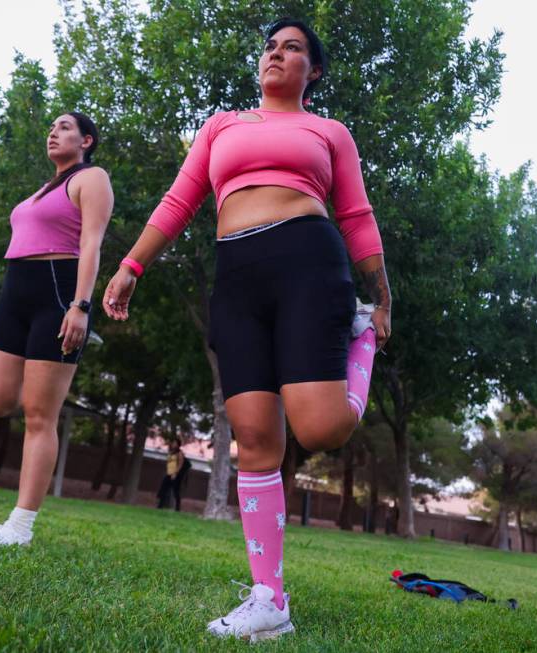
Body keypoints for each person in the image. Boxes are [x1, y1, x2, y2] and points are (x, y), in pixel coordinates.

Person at [102, 18, 391, 641]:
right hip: (237, 274)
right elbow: (180, 199)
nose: (277, 55)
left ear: (313, 71)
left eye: (293, 49)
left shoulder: (327, 131)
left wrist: (381, 300)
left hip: (308, 262)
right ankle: (269, 598)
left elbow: (357, 215)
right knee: (254, 438)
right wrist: (131, 265)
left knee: (320, 427)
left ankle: (359, 341)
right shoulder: (223, 125)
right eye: (270, 46)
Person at [0, 112, 114, 546]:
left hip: (57, 296)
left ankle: (20, 525)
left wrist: (80, 305)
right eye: (52, 128)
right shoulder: (42, 190)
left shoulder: (91, 178)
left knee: (40, 416)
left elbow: (92, 241)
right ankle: (44, 389)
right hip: (15, 293)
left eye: (65, 127)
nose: (54, 132)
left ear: (87, 140)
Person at [157, 438, 188, 510]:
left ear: (178, 444)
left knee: (175, 491)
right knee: (163, 489)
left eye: (175, 443)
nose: (173, 444)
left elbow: (180, 464)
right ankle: (160, 506)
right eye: (173, 443)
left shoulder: (179, 453)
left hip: (175, 475)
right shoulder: (171, 452)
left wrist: (175, 473)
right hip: (169, 473)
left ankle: (177, 508)